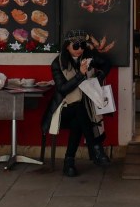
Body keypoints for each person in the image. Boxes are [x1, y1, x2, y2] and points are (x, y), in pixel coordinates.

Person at [45, 29, 114, 177]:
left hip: (84, 110)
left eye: (82, 46)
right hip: (63, 108)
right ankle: (95, 147)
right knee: (78, 110)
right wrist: (80, 75)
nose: (80, 49)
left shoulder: (88, 56)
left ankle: (69, 162)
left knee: (79, 116)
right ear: (67, 46)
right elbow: (63, 89)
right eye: (76, 46)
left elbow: (107, 63)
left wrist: (99, 78)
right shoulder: (57, 63)